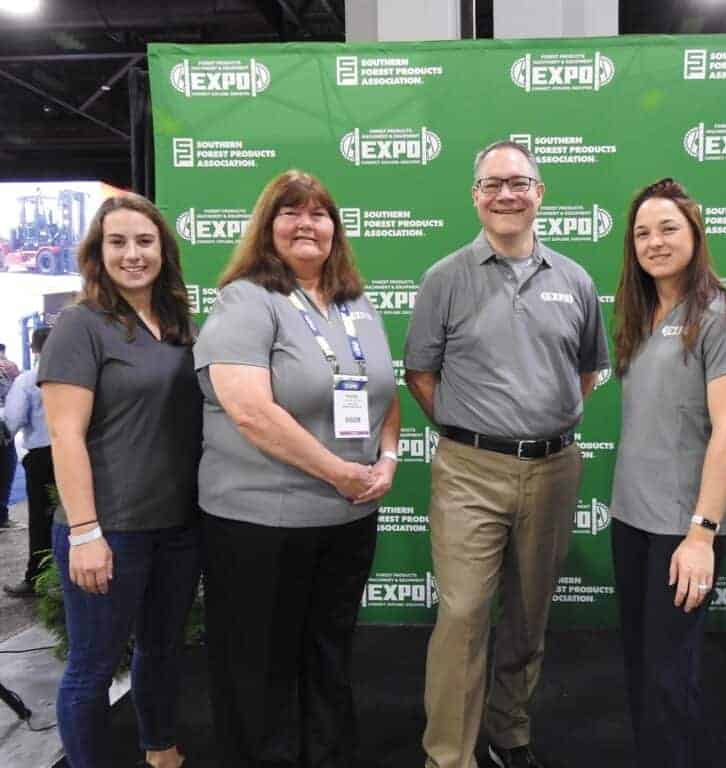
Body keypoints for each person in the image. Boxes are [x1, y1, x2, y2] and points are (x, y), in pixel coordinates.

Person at [405, 140, 610, 768]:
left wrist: (537, 423)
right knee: (464, 613)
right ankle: (448, 755)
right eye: (492, 184)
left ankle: (509, 731)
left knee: (528, 616)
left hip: (553, 468)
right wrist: (478, 431)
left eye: (519, 182)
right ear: (475, 196)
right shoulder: (444, 277)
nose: (506, 195)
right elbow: (420, 374)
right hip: (470, 470)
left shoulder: (574, 279)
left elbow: (585, 373)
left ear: (540, 193)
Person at [194, 169, 399, 768]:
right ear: (268, 227)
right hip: (260, 521)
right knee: (260, 666)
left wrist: (385, 459)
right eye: (291, 212)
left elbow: (385, 393)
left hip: (346, 519)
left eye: (319, 213)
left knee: (329, 655)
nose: (306, 223)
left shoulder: (356, 304)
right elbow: (252, 413)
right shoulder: (246, 300)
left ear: (335, 229)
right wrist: (339, 472)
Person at [38, 193, 202, 768]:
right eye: (118, 242)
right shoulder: (80, 326)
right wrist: (85, 531)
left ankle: (160, 750)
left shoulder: (181, 325)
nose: (133, 254)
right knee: (92, 665)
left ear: (163, 250)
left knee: (161, 650)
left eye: (144, 241)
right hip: (110, 530)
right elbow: (64, 436)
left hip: (178, 527)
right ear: (97, 252)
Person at [610, 178, 726, 767]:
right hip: (631, 519)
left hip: (684, 529)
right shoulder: (641, 314)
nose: (655, 241)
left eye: (668, 227)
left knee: (671, 678)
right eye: (642, 232)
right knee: (644, 669)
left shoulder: (720, 314)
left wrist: (701, 533)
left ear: (695, 232)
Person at [4, 326, 55, 597]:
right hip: (79, 451)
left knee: (40, 518)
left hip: (41, 457)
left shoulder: (28, 380)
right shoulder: (81, 374)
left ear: (34, 349)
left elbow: (13, 418)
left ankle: (36, 578)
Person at [0, 343, 21, 528]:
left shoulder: (9, 370)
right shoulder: (8, 370)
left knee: (6, 468)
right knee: (6, 468)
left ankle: (2, 516)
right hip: (4, 427)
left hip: (5, 427)